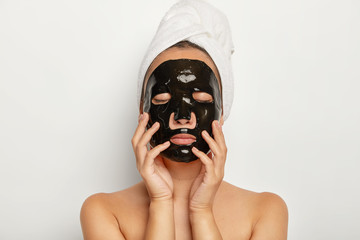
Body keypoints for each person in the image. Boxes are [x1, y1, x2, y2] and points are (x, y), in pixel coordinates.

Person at [80, 1, 288, 240]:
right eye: (161, 98)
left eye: (201, 98)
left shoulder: (265, 211)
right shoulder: (104, 212)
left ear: (222, 110)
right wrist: (160, 202)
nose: (182, 117)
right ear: (143, 109)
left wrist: (202, 212)